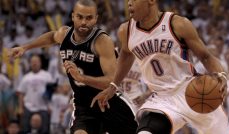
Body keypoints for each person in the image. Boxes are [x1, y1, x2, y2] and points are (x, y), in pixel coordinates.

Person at [91, 0, 229, 134]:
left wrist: (221, 74)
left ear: (151, 1)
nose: (129, 3)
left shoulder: (178, 24)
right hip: (162, 99)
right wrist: (113, 86)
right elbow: (126, 55)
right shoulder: (126, 31)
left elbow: (206, 56)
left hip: (192, 90)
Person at [8, 0, 137, 134]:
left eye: (89, 18)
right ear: (73, 16)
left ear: (96, 19)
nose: (83, 22)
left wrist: (82, 78)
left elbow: (111, 82)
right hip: (84, 107)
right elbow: (51, 37)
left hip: (110, 102)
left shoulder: (102, 41)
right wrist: (25, 47)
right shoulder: (64, 34)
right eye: (80, 17)